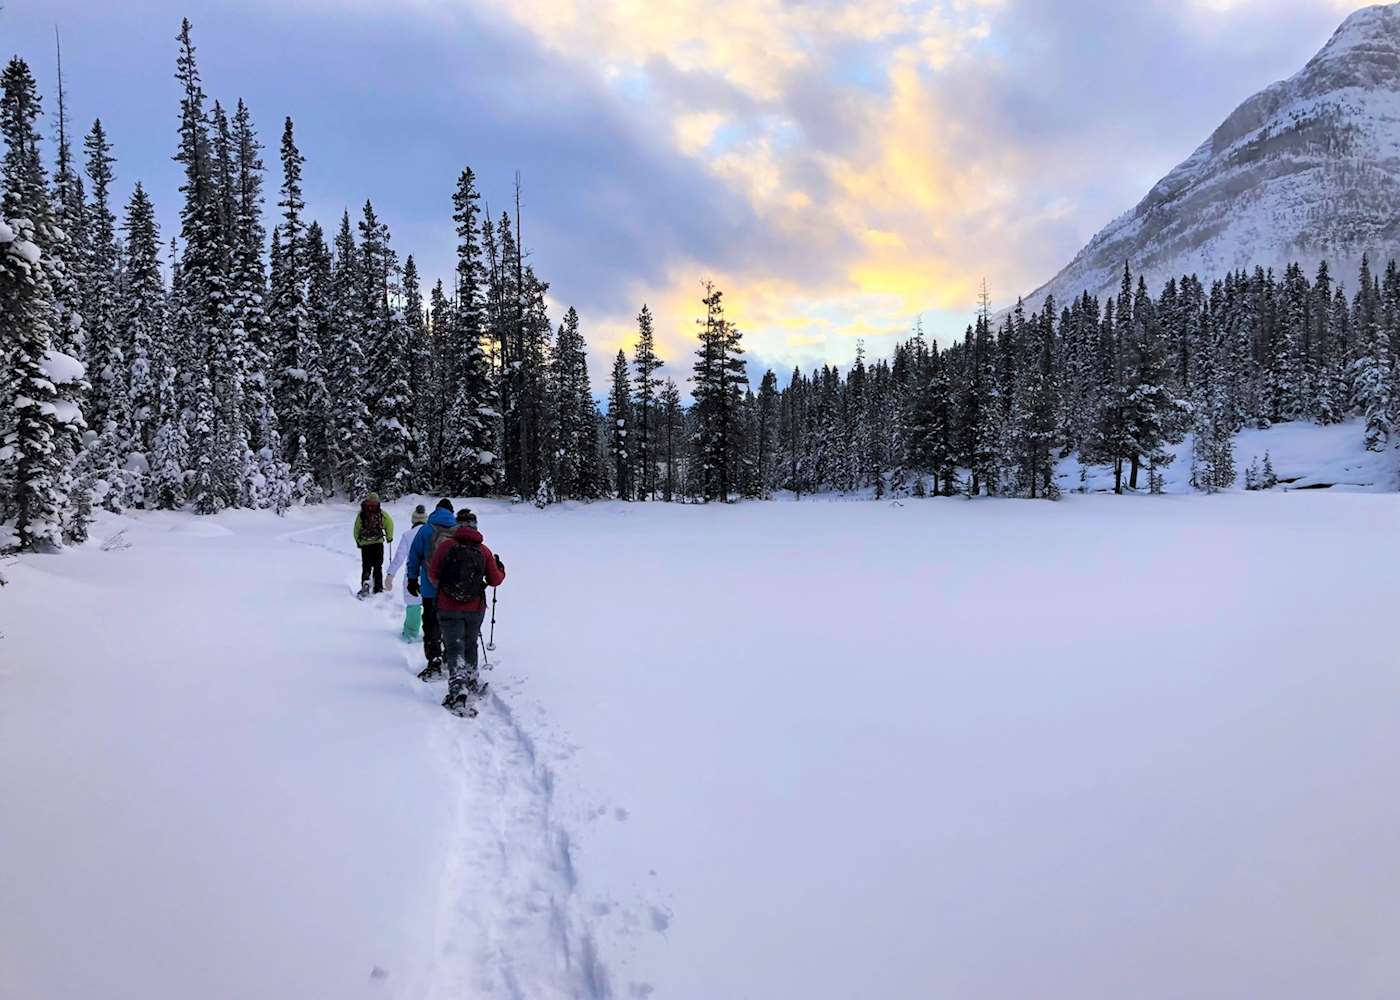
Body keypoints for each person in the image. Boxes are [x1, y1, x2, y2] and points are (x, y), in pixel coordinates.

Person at [426, 507, 506, 716]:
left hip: (447, 606)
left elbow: (432, 574)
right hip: (475, 607)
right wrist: (501, 568)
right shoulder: (484, 550)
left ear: (457, 525)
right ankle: (471, 680)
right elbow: (495, 579)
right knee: (470, 644)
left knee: (454, 647)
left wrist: (446, 590)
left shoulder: (445, 547)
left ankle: (458, 690)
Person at [406, 498, 458, 680]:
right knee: (450, 625)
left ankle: (434, 661)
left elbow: (414, 556)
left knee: (431, 624)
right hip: (453, 590)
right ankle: (449, 656)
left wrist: (412, 579)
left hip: (429, 587)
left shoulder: (425, 530)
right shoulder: (458, 530)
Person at [385, 504, 428, 641]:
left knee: (413, 606)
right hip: (431, 576)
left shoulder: (408, 535)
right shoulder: (433, 533)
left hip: (412, 576)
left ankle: (410, 634)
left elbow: (399, 557)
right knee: (430, 606)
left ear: (413, 521)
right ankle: (431, 634)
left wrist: (390, 576)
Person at [352, 492, 395, 598]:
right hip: (378, 543)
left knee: (366, 566)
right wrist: (389, 537)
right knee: (378, 566)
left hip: (365, 545)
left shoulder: (361, 514)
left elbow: (356, 529)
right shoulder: (381, 513)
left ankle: (365, 584)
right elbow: (390, 524)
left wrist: (358, 541)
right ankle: (378, 587)